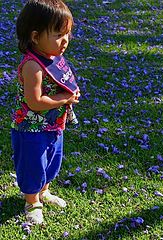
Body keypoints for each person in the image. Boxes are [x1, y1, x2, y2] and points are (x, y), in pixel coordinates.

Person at [11, 0, 80, 224]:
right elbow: (35, 101)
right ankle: (32, 201)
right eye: (59, 35)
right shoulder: (33, 66)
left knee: (52, 160)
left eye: (68, 34)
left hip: (53, 125)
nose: (65, 41)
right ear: (35, 36)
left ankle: (44, 191)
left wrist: (70, 91)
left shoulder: (52, 57)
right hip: (31, 128)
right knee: (33, 163)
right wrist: (65, 98)